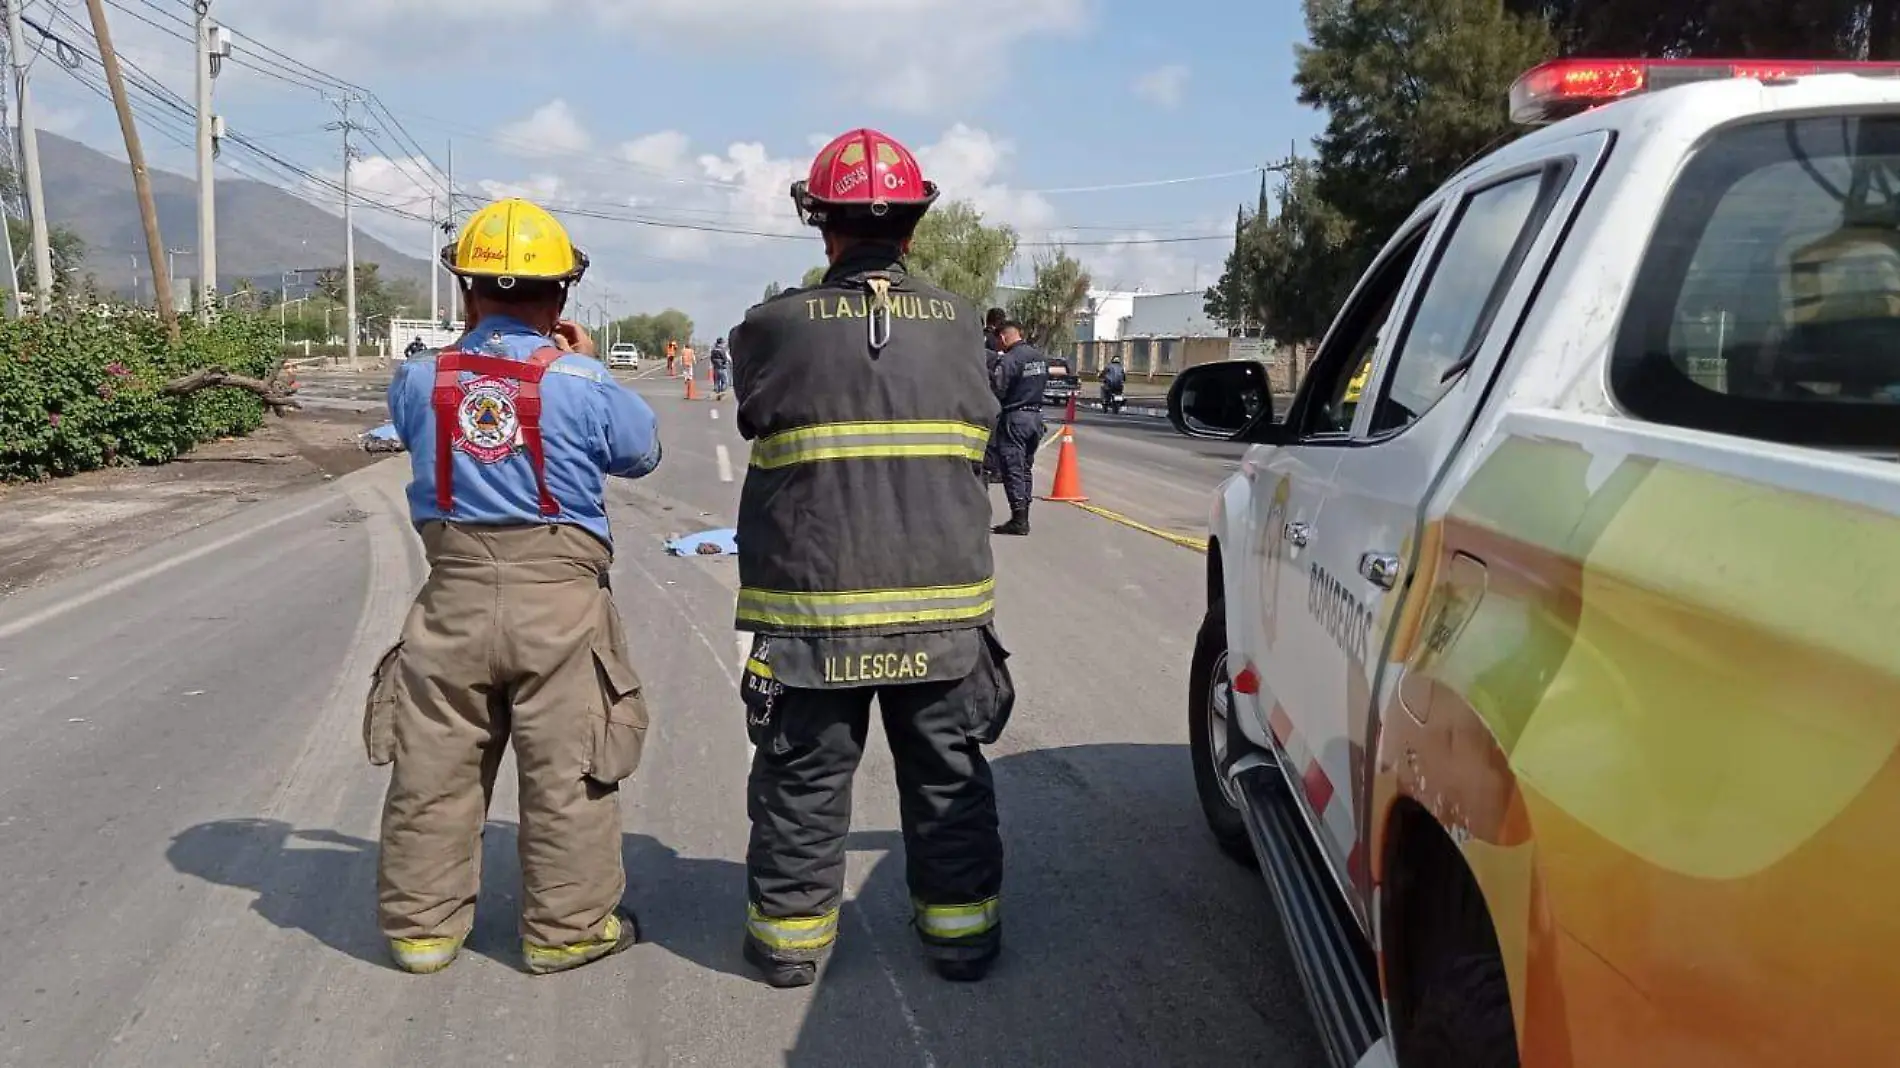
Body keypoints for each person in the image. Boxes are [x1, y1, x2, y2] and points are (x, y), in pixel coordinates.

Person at [729, 127, 1014, 990]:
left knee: (803, 783)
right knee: (948, 778)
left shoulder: (772, 328)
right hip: (944, 615)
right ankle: (961, 938)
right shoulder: (965, 325)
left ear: (822, 226)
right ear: (915, 227)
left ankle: (789, 945)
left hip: (813, 619)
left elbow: (754, 410)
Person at [368, 196, 663, 977]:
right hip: (559, 602)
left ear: (466, 291)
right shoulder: (579, 380)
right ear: (559, 297)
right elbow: (641, 453)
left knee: (434, 767)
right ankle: (565, 932)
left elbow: (419, 425)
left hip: (452, 594)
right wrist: (584, 363)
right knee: (568, 770)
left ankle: (423, 934)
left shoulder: (417, 379)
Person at [989, 320, 1050, 535]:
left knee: (1012, 469)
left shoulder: (1010, 360)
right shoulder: (1039, 357)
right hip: (1036, 418)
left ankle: (1019, 519)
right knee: (1025, 469)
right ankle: (1023, 515)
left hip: (1015, 418)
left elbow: (997, 389)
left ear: (1003, 338)